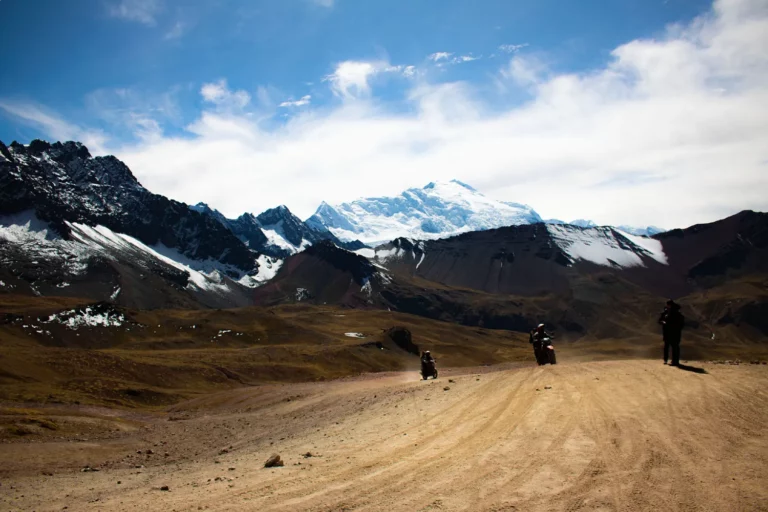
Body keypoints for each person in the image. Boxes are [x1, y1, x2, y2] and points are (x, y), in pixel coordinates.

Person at [658, 300, 685, 366]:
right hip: (673, 332)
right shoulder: (669, 313)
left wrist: (664, 323)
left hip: (672, 332)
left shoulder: (673, 313)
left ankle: (671, 360)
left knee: (671, 346)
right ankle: (673, 360)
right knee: (673, 346)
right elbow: (660, 321)